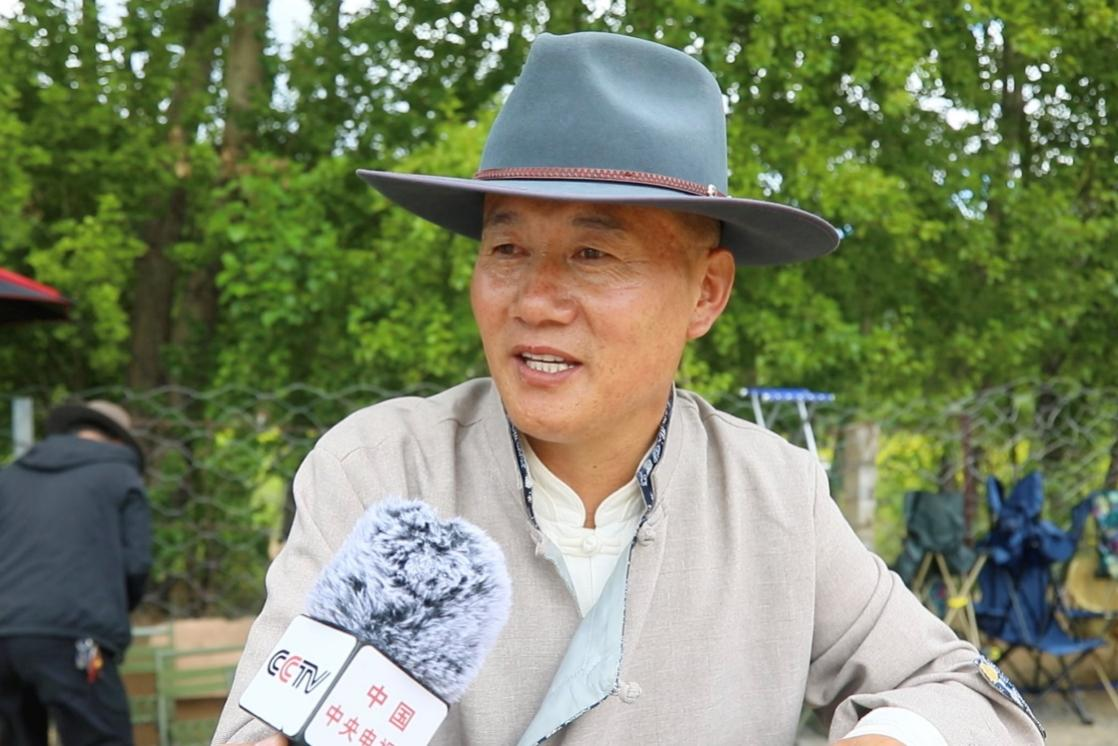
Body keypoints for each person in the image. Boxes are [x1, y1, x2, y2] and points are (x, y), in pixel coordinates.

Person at [215, 32, 1044, 745]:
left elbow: (969, 696)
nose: (535, 301)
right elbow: (262, 725)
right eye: (506, 249)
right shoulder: (383, 473)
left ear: (706, 293)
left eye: (593, 254)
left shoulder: (774, 498)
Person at [0, 400, 152, 746]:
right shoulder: (120, 475)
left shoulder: (9, 477)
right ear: (118, 441)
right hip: (74, 636)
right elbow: (136, 565)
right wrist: (108, 615)